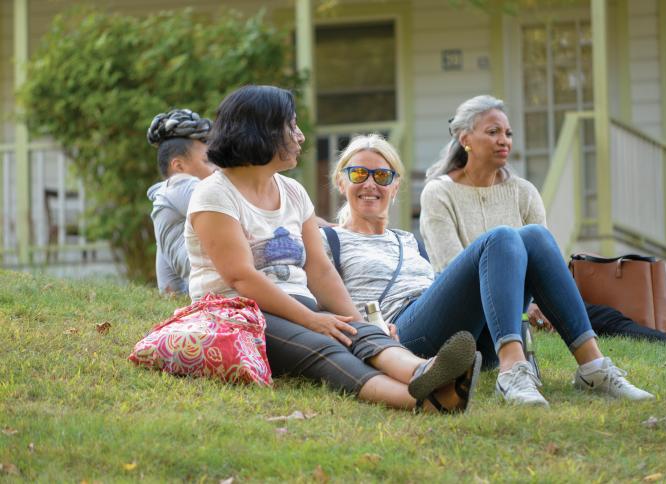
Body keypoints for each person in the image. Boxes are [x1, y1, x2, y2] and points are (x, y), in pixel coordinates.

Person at [183, 85, 481, 413]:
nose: (300, 137)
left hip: (296, 305)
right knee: (324, 345)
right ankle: (423, 401)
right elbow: (241, 278)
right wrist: (312, 320)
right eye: (291, 127)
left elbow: (320, 270)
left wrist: (356, 320)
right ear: (264, 131)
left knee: (358, 332)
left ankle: (424, 372)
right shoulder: (214, 194)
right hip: (237, 312)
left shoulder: (293, 192)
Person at [323, 133, 653, 407]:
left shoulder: (407, 241)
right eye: (358, 174)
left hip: (463, 339)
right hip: (401, 339)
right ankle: (513, 370)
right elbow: (318, 304)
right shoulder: (328, 239)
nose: (370, 184)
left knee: (534, 235)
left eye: (382, 176)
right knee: (501, 237)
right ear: (341, 182)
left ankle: (593, 367)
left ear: (395, 186)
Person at [420, 94, 666, 353]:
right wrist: (523, 306)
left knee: (602, 317)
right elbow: (450, 267)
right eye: (493, 132)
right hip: (472, 308)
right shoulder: (439, 193)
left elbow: (544, 257)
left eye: (508, 133)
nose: (504, 141)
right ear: (465, 139)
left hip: (530, 302)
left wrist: (537, 301)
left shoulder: (523, 192)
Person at [147, 108, 216, 295]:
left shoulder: (164, 199)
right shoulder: (181, 184)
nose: (216, 169)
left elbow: (168, 282)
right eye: (208, 161)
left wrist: (173, 294)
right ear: (179, 166)